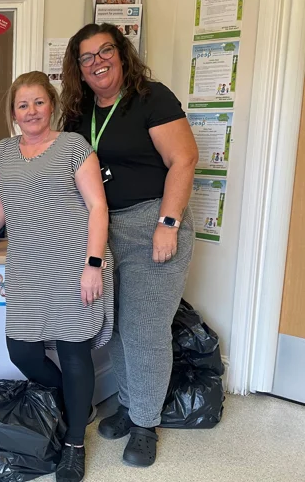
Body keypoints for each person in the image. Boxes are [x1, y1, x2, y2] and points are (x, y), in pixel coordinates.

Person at [0, 71, 113, 482]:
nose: (31, 111)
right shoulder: (2, 154)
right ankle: (74, 404)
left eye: (39, 102)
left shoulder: (74, 147)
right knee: (21, 351)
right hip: (27, 265)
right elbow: (0, 210)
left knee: (73, 350)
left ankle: (75, 443)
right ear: (13, 112)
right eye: (22, 104)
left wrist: (93, 264)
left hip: (74, 261)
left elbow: (98, 207)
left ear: (52, 106)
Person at [60, 23, 198, 468]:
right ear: (78, 68)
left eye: (105, 52)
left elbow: (184, 158)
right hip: (103, 231)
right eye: (87, 57)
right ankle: (129, 404)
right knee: (116, 327)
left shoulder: (150, 98)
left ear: (121, 55)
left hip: (150, 223)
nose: (98, 62)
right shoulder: (79, 112)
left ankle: (145, 424)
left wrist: (169, 223)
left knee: (145, 329)